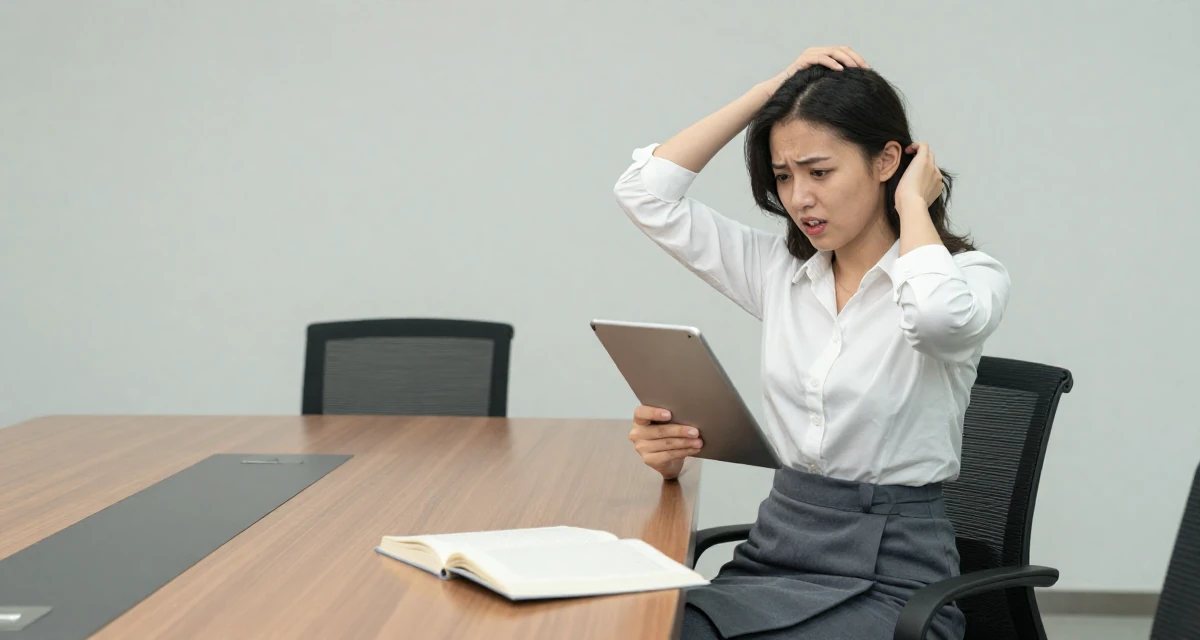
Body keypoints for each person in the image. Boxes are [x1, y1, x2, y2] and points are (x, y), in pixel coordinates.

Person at [612, 46, 1010, 640]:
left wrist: (911, 203)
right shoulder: (780, 271)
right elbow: (645, 194)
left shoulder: (966, 277)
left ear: (887, 160)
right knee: (647, 627)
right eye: (783, 175)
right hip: (777, 548)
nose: (798, 198)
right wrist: (771, 91)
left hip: (895, 575)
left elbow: (932, 319)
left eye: (819, 172)